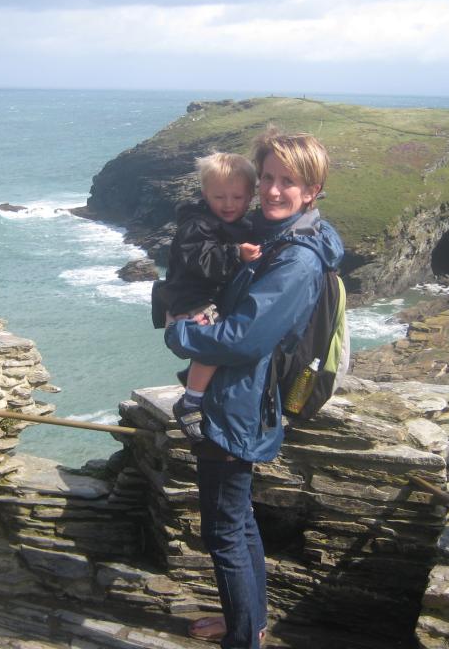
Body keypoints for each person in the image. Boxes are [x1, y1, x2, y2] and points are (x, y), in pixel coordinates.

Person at [165, 129, 344, 649]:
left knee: (224, 531)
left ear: (312, 191)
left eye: (289, 181)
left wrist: (180, 331)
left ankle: (244, 638)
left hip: (236, 408)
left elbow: (243, 338)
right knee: (238, 522)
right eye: (266, 177)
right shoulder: (278, 237)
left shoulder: (296, 259)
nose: (271, 190)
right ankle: (247, 620)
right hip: (240, 399)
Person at [156, 152, 262, 438]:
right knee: (215, 339)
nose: (228, 205)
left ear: (251, 195)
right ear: (204, 194)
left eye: (237, 198)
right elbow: (203, 262)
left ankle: (194, 381)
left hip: (205, 295)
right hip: (192, 296)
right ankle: (191, 400)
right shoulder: (196, 225)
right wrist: (235, 254)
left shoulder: (240, 222)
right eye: (219, 197)